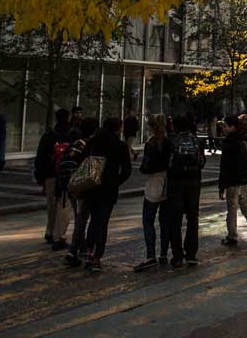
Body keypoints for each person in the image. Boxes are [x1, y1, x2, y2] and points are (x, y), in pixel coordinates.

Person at [81, 117, 133, 272]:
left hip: (92, 185)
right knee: (102, 222)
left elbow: (82, 160)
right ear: (119, 128)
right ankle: (97, 256)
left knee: (93, 220)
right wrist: (116, 181)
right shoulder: (119, 146)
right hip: (108, 188)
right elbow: (126, 170)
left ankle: (89, 252)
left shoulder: (93, 142)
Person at [165, 114, 206, 268]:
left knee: (175, 220)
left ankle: (177, 255)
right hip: (194, 183)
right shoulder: (197, 140)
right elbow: (202, 162)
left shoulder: (171, 140)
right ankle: (191, 254)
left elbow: (166, 161)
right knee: (193, 218)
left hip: (175, 183)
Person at [219, 114, 247, 248]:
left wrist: (221, 187)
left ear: (233, 126)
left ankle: (232, 237)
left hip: (233, 182)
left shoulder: (229, 142)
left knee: (232, 210)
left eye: (226, 126)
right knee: (246, 205)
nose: (224, 129)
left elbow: (224, 167)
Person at [135, 113, 171, 271]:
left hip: (154, 182)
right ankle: (164, 253)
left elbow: (145, 168)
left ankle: (151, 254)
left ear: (151, 127)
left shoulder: (151, 143)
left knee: (148, 220)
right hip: (168, 181)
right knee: (165, 221)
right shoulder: (169, 141)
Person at [32, 108, 73, 247]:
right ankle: (59, 235)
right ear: (68, 118)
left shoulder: (48, 135)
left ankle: (49, 231)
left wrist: (39, 175)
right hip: (66, 175)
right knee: (63, 204)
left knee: (51, 204)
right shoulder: (72, 135)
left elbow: (40, 157)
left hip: (50, 174)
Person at [63, 117, 100, 266]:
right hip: (83, 187)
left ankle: (81, 248)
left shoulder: (75, 144)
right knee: (81, 219)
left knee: (80, 217)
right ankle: (73, 251)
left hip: (71, 185)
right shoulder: (90, 146)